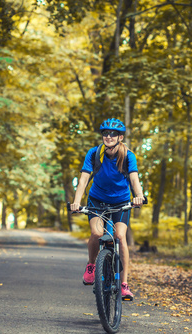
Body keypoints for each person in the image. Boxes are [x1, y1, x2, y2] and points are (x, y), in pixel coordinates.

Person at [70, 118, 145, 301]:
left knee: (120, 236)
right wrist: (76, 202)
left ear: (120, 137)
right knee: (96, 233)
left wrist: (139, 196)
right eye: (105, 133)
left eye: (113, 134)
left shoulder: (128, 156)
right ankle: (91, 265)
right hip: (97, 200)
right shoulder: (94, 153)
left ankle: (124, 284)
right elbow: (83, 180)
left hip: (120, 201)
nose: (108, 136)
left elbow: (134, 179)